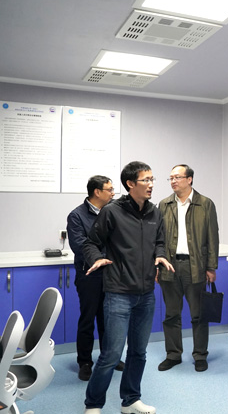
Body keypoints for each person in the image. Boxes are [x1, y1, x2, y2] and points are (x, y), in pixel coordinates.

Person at [82, 161, 174, 414]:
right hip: (119, 293)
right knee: (111, 354)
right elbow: (91, 242)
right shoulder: (112, 211)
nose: (151, 184)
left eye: (152, 179)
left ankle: (130, 400)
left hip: (146, 294)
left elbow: (160, 241)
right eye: (146, 180)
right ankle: (93, 404)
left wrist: (160, 254)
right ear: (130, 184)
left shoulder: (155, 212)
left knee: (138, 352)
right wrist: (96, 258)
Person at [157, 164, 219, 373]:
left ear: (189, 179)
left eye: (177, 177)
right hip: (169, 267)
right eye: (171, 178)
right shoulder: (164, 205)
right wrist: (157, 264)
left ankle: (200, 355)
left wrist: (211, 267)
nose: (173, 181)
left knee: (198, 315)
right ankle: (173, 355)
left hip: (196, 267)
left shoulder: (205, 204)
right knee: (171, 315)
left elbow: (213, 237)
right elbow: (158, 239)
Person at [67, 175, 125, 381]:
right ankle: (84, 362)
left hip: (112, 274)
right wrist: (99, 258)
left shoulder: (113, 211)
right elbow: (79, 245)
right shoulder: (77, 216)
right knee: (88, 319)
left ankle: (109, 358)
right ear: (97, 192)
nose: (113, 193)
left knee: (109, 319)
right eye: (110, 190)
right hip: (89, 274)